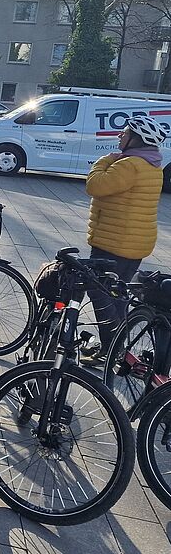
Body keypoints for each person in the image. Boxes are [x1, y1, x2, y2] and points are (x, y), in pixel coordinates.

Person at [79, 115, 166, 366]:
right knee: (116, 293)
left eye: (125, 133)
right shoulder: (152, 165)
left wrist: (104, 160)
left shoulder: (129, 165)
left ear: (136, 139)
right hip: (135, 242)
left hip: (114, 242)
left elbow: (95, 186)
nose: (120, 136)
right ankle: (117, 347)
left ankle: (111, 349)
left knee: (99, 291)